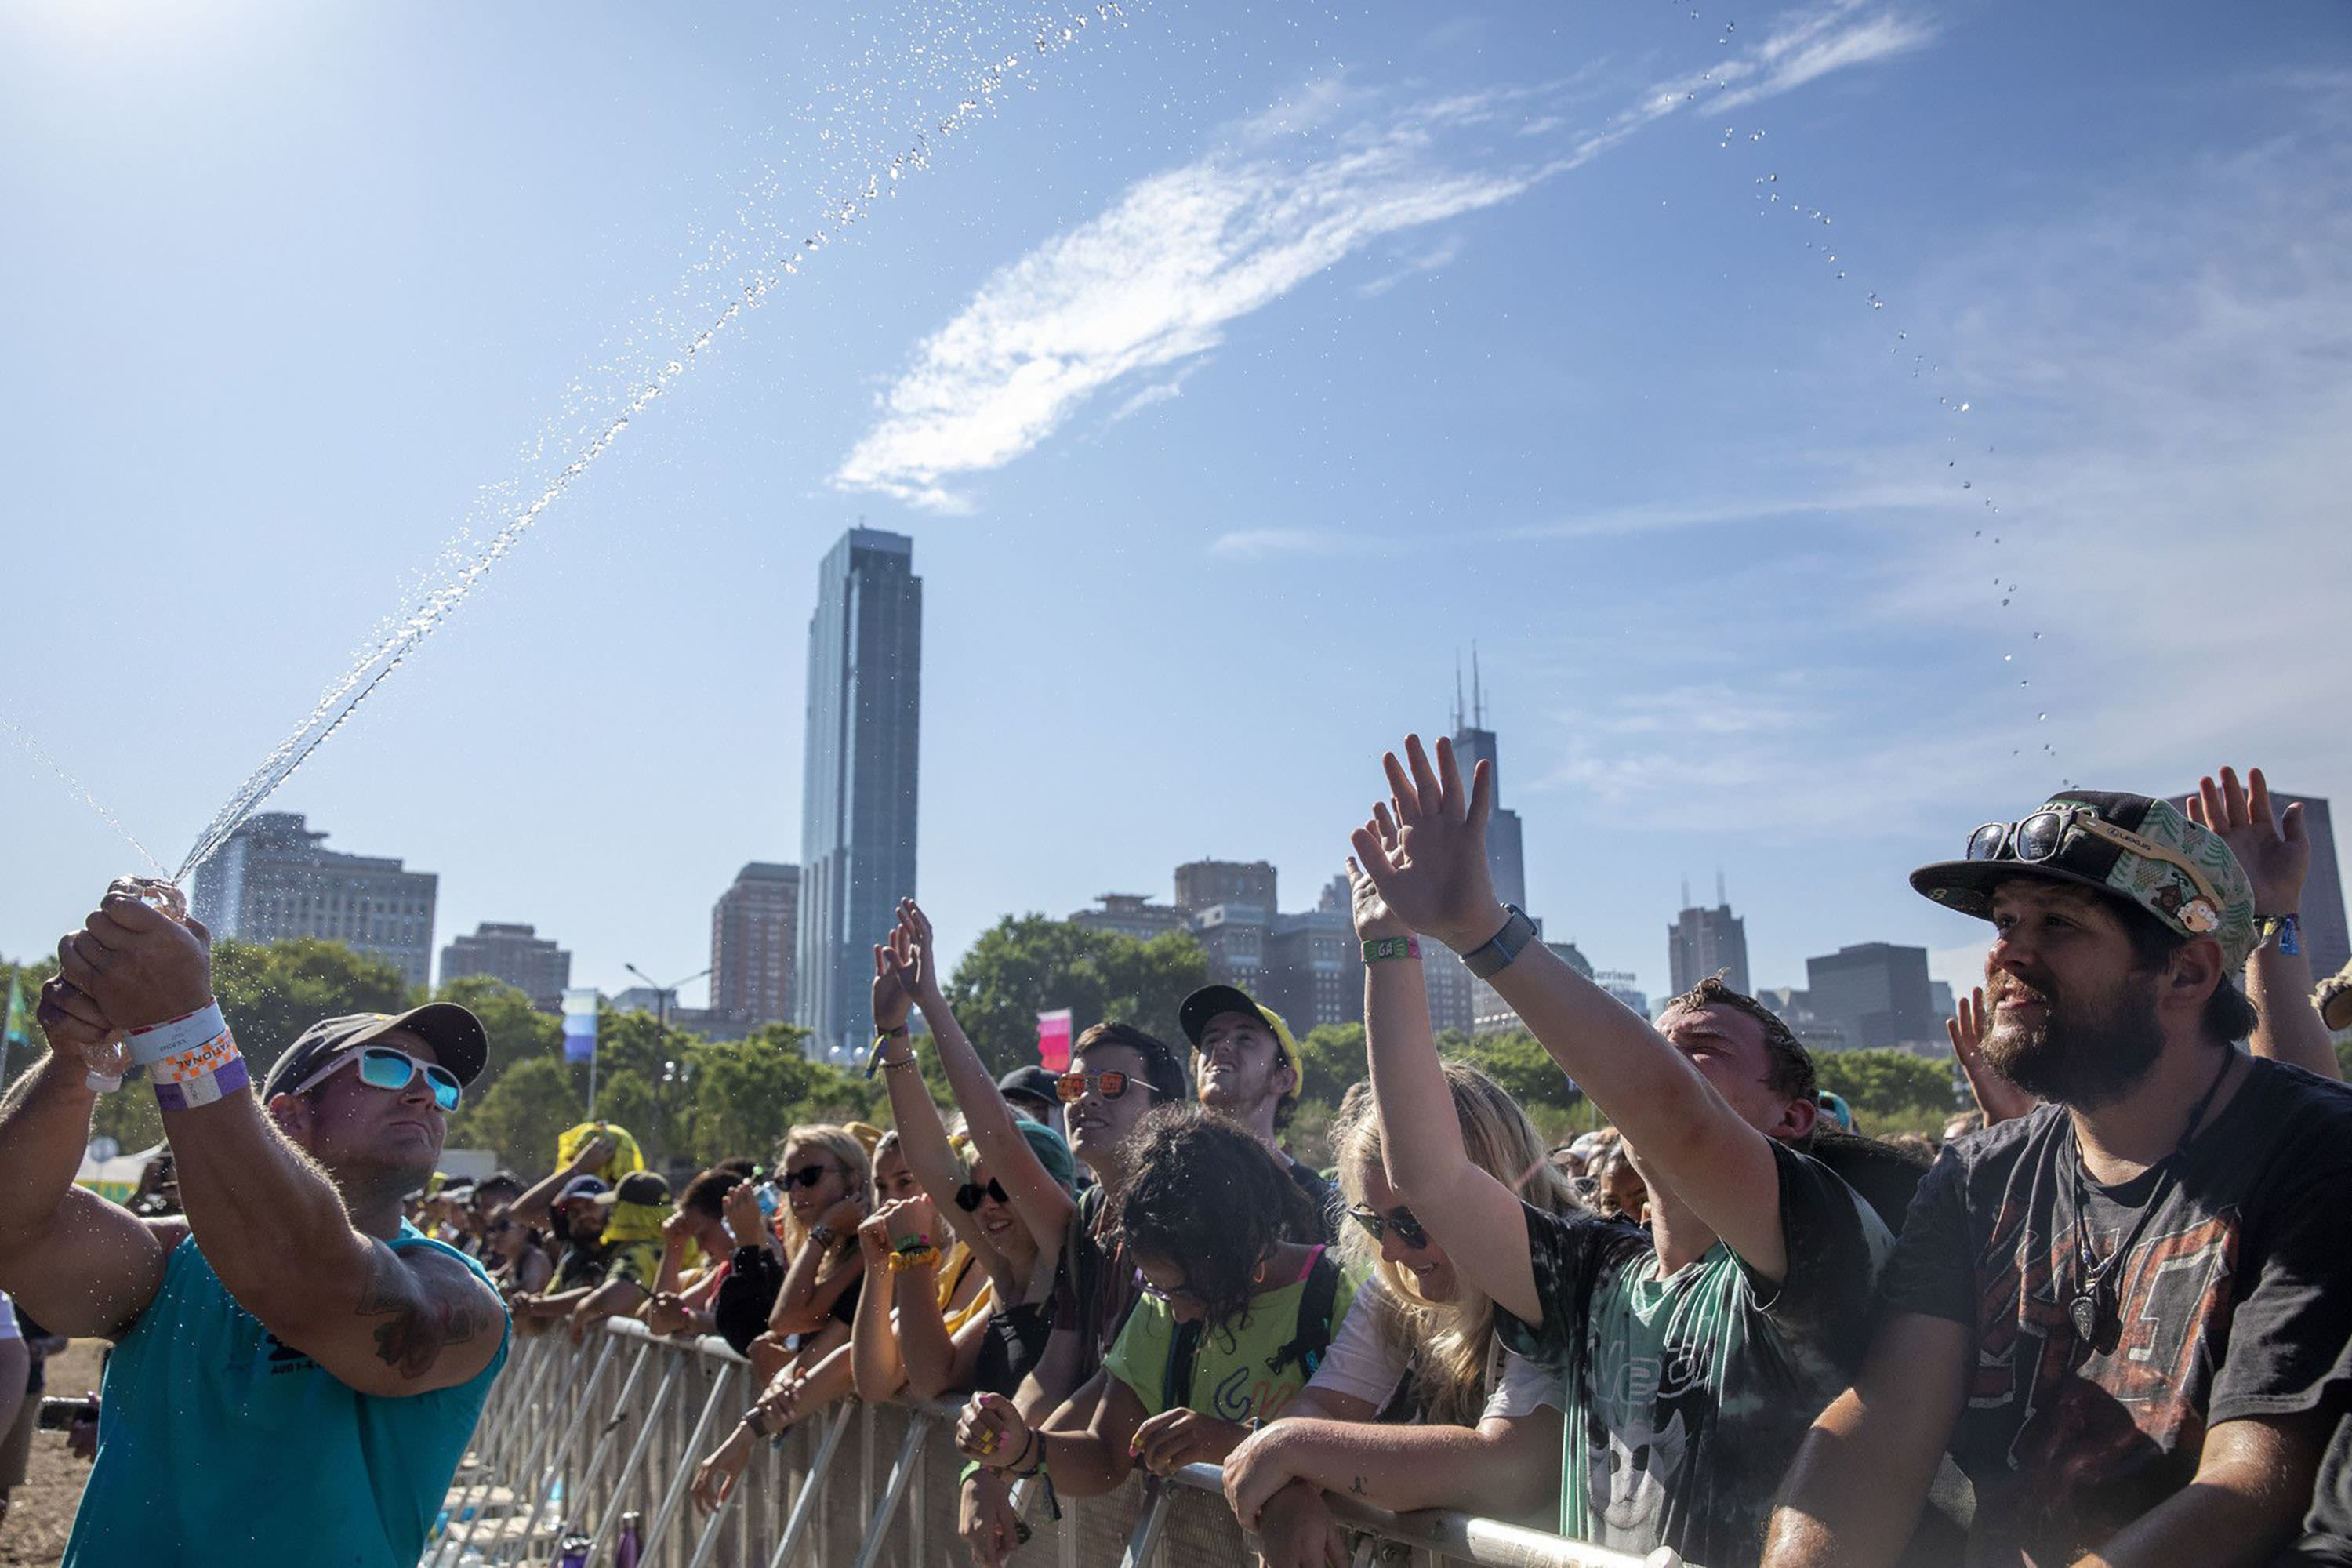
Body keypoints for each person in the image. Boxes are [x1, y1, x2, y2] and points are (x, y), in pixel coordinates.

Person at [1764, 789, 2352, 1568]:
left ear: (2187, 970)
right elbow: (1882, 1423)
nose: (2006, 954)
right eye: (2006, 922)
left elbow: (2257, 1478)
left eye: (2059, 923)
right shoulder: (1978, 1176)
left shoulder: (2319, 1149)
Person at [1349, 734, 1891, 1567]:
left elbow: (1682, 1119)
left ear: (1793, 1116)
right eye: (1651, 1044)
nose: (1657, 1065)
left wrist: (1483, 929)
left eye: (1700, 1050)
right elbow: (1430, 1175)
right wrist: (1391, 946)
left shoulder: (1818, 1243)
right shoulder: (1596, 1274)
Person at [2, 891, 506, 1567]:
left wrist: (181, 1029)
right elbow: (14, 1226)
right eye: (387, 1068)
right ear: (290, 1118)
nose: (425, 1093)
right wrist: (77, 1064)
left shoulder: (461, 1296)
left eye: (441, 1083)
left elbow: (311, 1280)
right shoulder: (168, 1265)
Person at [1221, 1070, 1580, 1564]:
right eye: (1374, 1221)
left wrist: (1291, 1450)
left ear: (1489, 1184)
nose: (1388, 1249)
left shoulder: (1572, 1265)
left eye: (1410, 1220)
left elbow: (1513, 1471)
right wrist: (1292, 1490)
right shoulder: (1401, 1283)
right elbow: (1323, 1408)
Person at [953, 1105, 1350, 1501]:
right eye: (1156, 1288)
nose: (1174, 1312)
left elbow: (1359, 1460)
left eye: (1183, 1291)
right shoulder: (1161, 1305)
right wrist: (1023, 1448)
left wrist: (1229, 1442)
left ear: (1245, 1249)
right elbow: (1106, 1453)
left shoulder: (1341, 1296)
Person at [1178, 982, 1335, 1232]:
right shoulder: (1171, 1174)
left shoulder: (1314, 1198)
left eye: (1245, 1039)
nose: (1222, 1046)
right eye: (1211, 1039)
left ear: (1283, 1079)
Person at [746, 1123, 872, 1383]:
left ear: (853, 1180)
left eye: (810, 1176)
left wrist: (822, 1231)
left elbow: (786, 1319)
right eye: (786, 1180)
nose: (796, 1191)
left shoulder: (872, 1246)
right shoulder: (833, 1250)